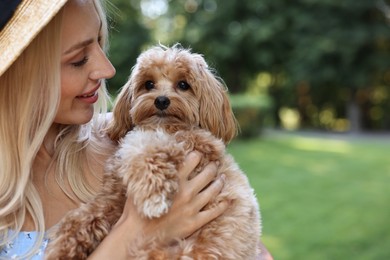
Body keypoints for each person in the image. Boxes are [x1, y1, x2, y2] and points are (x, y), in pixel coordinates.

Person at [0, 0, 273, 259]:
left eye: (99, 43)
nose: (108, 69)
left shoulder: (132, 138)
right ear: (18, 73)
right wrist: (135, 232)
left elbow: (246, 245)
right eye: (79, 59)